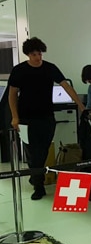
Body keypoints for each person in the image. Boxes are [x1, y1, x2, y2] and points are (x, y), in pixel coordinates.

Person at [8, 37, 85, 200]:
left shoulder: (50, 68)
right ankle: (39, 185)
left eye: (40, 54)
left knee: (42, 150)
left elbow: (66, 86)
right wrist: (15, 116)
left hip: (46, 116)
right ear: (28, 54)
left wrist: (80, 104)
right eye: (34, 54)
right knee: (32, 152)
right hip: (26, 118)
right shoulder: (19, 70)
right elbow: (12, 94)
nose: (38, 57)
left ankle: (35, 175)